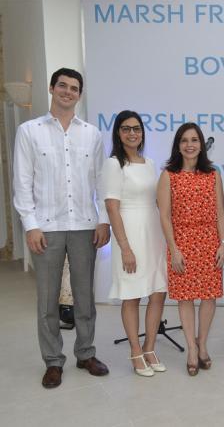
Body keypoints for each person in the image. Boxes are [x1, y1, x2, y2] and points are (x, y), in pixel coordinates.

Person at [13, 67, 111, 388]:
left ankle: (85, 353)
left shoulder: (92, 134)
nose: (68, 92)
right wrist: (31, 225)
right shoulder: (30, 131)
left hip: (84, 226)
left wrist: (103, 220)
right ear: (52, 88)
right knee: (47, 301)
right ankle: (53, 361)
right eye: (63, 86)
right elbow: (22, 182)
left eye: (74, 88)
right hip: (47, 227)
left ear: (80, 95)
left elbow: (100, 180)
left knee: (85, 297)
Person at [102, 110, 168, 377]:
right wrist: (125, 247)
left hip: (153, 233)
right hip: (128, 233)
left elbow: (158, 202)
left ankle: (150, 347)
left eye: (137, 128)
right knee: (132, 296)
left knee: (157, 291)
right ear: (118, 132)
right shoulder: (113, 164)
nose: (132, 133)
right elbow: (111, 207)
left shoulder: (150, 163)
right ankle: (135, 351)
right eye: (126, 128)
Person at [157, 122, 224, 376]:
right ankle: (191, 349)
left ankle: (203, 344)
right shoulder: (168, 175)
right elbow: (164, 216)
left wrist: (223, 243)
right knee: (185, 298)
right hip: (182, 243)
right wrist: (173, 249)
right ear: (178, 145)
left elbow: (220, 213)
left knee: (209, 297)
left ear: (201, 144)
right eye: (184, 140)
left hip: (209, 242)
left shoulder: (213, 174)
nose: (190, 145)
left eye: (194, 140)